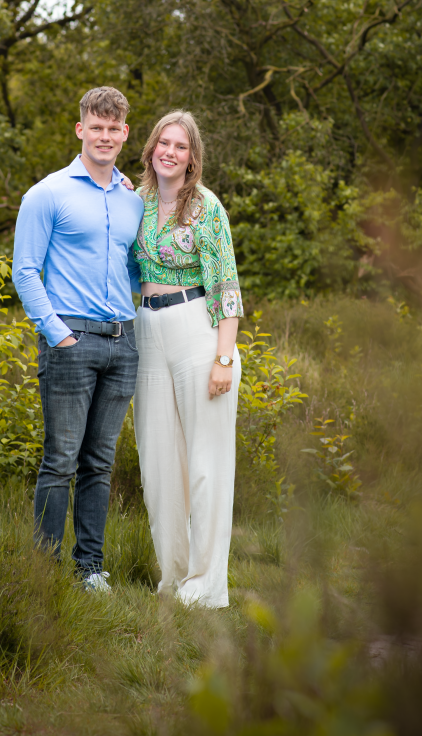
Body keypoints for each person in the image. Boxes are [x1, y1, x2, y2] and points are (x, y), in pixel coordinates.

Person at [12, 86, 144, 591]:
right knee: (60, 460)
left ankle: (90, 569)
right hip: (71, 340)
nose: (105, 136)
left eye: (114, 129)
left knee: (99, 464)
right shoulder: (47, 194)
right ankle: (42, 571)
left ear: (124, 133)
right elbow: (26, 272)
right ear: (80, 129)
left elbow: (133, 272)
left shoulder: (133, 202)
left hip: (122, 343)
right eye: (97, 126)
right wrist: (58, 335)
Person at [132, 110, 243, 607]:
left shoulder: (206, 207)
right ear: (151, 148)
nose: (169, 152)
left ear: (192, 157)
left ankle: (205, 585)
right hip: (147, 330)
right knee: (158, 463)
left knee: (205, 462)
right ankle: (173, 576)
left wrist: (224, 357)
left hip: (198, 327)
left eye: (180, 146)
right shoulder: (136, 201)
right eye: (163, 143)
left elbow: (226, 284)